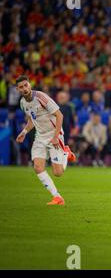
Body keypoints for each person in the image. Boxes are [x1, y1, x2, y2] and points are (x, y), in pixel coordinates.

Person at [14, 75, 76, 205]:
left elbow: (59, 115)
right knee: (38, 167)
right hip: (40, 137)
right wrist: (24, 132)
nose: (24, 89)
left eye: (26, 85)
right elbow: (32, 119)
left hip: (54, 134)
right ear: (18, 89)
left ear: (30, 85)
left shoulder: (41, 97)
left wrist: (55, 137)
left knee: (57, 173)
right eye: (21, 87)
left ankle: (65, 153)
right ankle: (57, 197)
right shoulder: (22, 103)